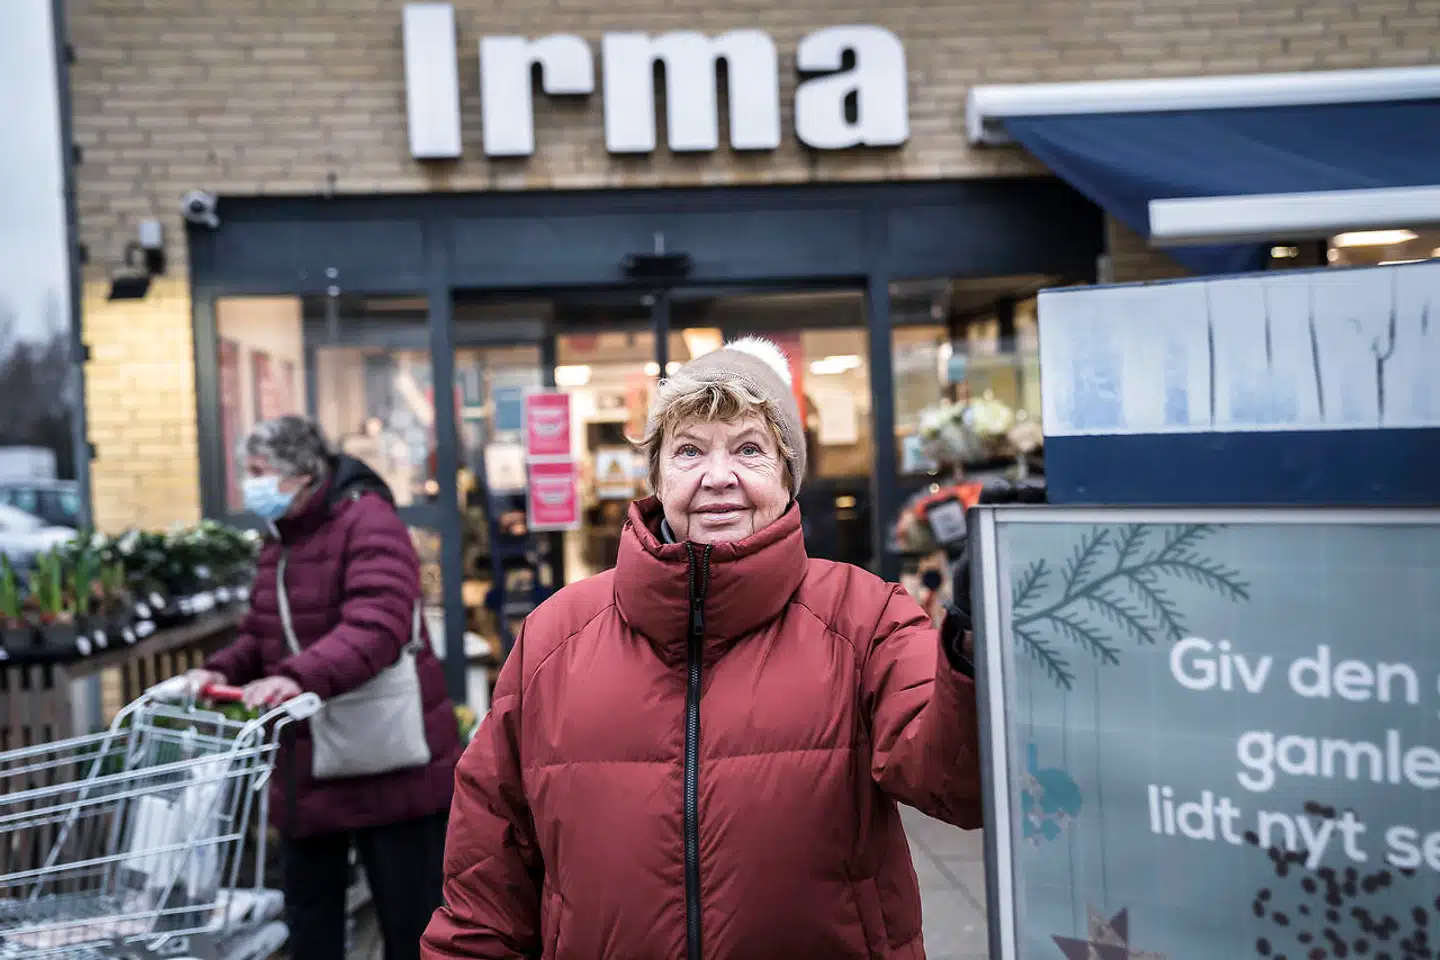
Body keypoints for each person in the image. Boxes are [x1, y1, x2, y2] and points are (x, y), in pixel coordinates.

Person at [422, 338, 982, 959]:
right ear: (659, 477)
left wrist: (972, 652)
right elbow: (484, 884)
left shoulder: (866, 617)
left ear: (788, 475)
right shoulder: (555, 638)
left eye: (749, 449)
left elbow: (955, 785)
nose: (719, 477)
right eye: (689, 451)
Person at [186, 416, 461, 960]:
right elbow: (263, 633)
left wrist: (296, 677)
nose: (250, 483)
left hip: (388, 762)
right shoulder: (281, 538)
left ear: (303, 474)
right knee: (310, 926)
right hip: (308, 765)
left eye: (259, 471)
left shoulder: (368, 521)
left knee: (411, 926)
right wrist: (221, 670)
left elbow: (378, 625)